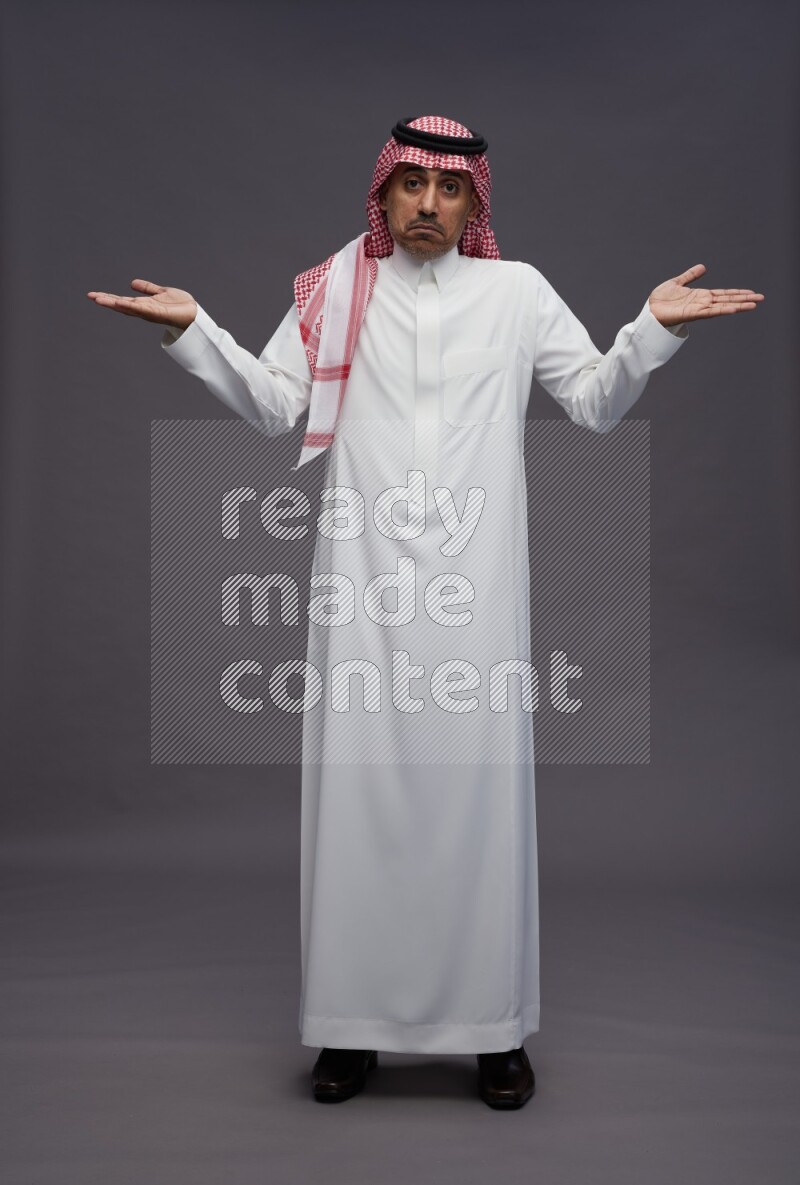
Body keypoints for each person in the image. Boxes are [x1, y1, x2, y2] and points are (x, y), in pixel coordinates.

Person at [88, 115, 764, 1109]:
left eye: (449, 191)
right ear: (382, 194)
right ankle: (349, 1032)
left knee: (476, 804)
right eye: (411, 186)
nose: (428, 207)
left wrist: (648, 328)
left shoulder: (516, 292)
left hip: (476, 591)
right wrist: (196, 332)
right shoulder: (337, 285)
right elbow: (278, 402)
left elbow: (589, 398)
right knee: (355, 804)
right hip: (358, 587)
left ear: (474, 203)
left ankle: (492, 1033)